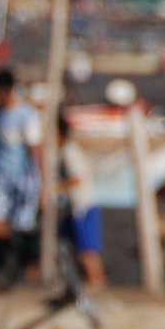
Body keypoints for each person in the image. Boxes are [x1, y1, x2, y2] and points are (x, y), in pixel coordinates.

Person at [0, 66, 43, 278]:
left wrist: (42, 183)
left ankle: (28, 269)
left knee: (25, 225)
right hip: (0, 176)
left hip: (23, 177)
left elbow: (35, 149)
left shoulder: (26, 114)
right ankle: (14, 256)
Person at [56, 112, 106, 289]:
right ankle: (83, 282)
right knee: (69, 246)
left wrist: (54, 187)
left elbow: (77, 178)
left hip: (83, 205)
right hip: (75, 207)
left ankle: (96, 284)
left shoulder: (69, 150)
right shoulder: (65, 150)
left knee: (87, 250)